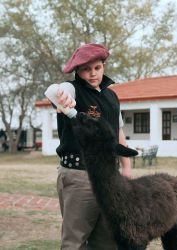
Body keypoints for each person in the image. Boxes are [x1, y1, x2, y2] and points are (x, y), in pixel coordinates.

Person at [55, 43, 132, 250]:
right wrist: (62, 98)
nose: (92, 74)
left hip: (110, 177)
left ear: (103, 66)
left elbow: (119, 132)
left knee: (108, 241)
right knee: (75, 241)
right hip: (80, 176)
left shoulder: (111, 97)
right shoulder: (72, 90)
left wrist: (126, 168)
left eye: (97, 68)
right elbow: (57, 92)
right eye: (86, 69)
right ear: (78, 71)